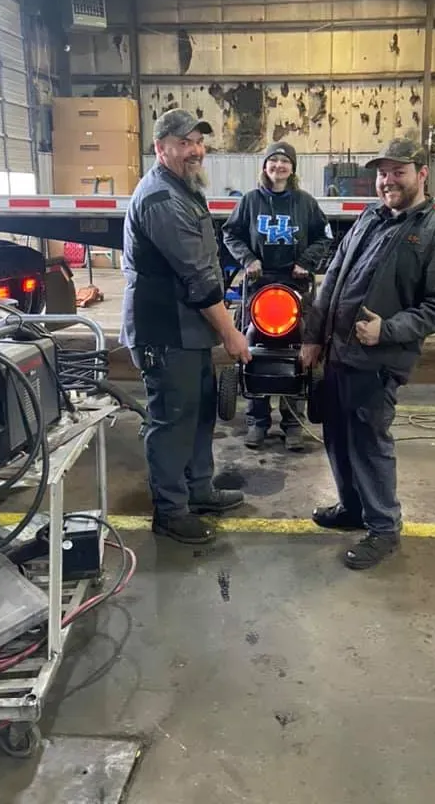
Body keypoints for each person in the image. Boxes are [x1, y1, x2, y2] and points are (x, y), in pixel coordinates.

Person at [300, 138, 435, 570]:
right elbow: (334, 278)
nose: (388, 181)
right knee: (337, 436)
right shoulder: (369, 218)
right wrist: (313, 336)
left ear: (422, 174)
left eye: (398, 172)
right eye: (382, 173)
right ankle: (352, 507)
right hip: (338, 353)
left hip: (377, 360)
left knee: (369, 442)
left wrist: (387, 330)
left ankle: (384, 527)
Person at [121, 108, 251, 546]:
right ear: (161, 148)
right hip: (164, 331)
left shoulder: (184, 188)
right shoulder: (161, 199)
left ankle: (199, 490)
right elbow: (197, 277)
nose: (195, 150)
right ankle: (171, 511)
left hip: (187, 330)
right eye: (184, 143)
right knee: (172, 420)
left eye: (198, 141)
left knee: (199, 412)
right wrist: (231, 333)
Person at [221, 141, 332, 451]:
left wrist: (306, 262)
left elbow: (324, 236)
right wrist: (248, 260)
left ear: (292, 168)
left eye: (285, 161)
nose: (279, 166)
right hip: (259, 282)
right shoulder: (250, 201)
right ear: (265, 166)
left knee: (298, 350)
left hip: (295, 283)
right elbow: (230, 233)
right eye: (274, 160)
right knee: (253, 348)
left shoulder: (305, 203)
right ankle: (257, 422)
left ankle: (292, 424)